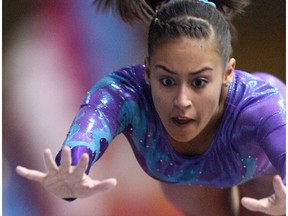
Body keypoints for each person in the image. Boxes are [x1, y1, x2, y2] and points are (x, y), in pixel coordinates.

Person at [16, 0, 286, 215]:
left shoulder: (261, 105)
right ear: (146, 70)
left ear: (228, 73)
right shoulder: (125, 92)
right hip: (186, 176)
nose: (182, 101)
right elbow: (90, 128)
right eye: (167, 80)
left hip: (266, 173)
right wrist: (72, 169)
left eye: (199, 81)